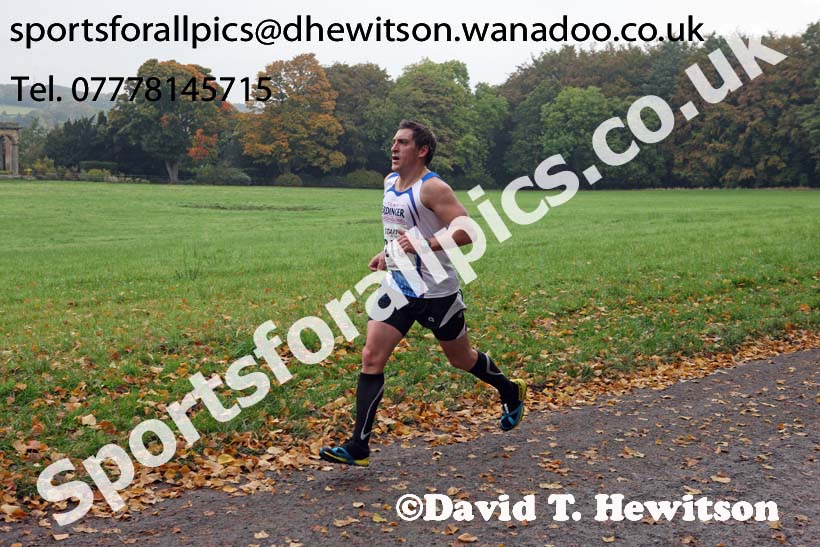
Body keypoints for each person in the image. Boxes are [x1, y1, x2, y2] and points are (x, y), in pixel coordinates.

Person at [319, 120, 526, 467]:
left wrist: (424, 244)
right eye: (393, 142)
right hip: (398, 288)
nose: (393, 148)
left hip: (436, 292)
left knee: (461, 359)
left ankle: (509, 390)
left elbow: (469, 230)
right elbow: (399, 231)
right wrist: (388, 254)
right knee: (371, 357)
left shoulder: (434, 189)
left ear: (422, 150)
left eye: (401, 143)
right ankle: (359, 447)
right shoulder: (389, 183)